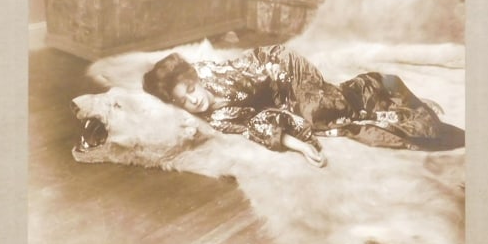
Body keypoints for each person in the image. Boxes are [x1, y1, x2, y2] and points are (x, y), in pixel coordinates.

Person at [142, 44, 464, 167]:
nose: (193, 100)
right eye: (183, 101)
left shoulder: (213, 72)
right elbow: (257, 124)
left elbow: (258, 70)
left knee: (319, 111)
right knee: (328, 119)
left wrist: (293, 96)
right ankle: (382, 97)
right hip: (279, 96)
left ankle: (381, 87)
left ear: (192, 77)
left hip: (281, 65)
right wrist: (300, 147)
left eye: (190, 89)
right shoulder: (219, 118)